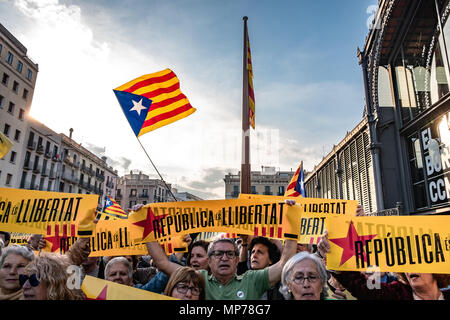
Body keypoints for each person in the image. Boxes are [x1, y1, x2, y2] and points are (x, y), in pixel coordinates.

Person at [147, 236, 297, 300]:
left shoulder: (252, 280)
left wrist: (292, 223)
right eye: (218, 254)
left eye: (230, 254)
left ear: (237, 260)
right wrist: (143, 224)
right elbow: (163, 263)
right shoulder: (199, 278)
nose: (224, 258)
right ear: (209, 260)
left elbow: (285, 265)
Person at [317, 231, 450, 300]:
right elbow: (363, 288)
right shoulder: (396, 294)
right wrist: (335, 256)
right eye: (406, 263)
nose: (410, 268)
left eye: (416, 262)